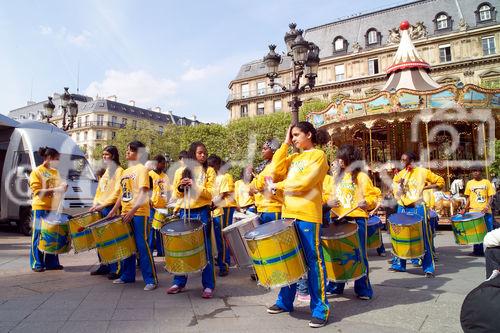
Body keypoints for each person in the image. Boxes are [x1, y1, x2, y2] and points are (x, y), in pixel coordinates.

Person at [264, 122, 330, 328]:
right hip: (288, 213)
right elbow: (275, 170)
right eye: (291, 136)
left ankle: (320, 309)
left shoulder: (318, 156)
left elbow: (304, 184)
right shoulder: (293, 157)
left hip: (308, 215)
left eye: (296, 135)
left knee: (313, 261)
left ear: (309, 134)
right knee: (289, 260)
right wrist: (284, 143)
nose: (293, 139)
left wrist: (278, 186)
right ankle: (285, 302)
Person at [326, 144, 379, 300]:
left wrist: (366, 203)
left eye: (342, 158)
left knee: (359, 254)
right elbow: (327, 195)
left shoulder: (362, 177)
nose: (339, 161)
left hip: (356, 219)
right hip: (337, 218)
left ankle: (363, 288)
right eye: (338, 158)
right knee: (338, 254)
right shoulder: (336, 178)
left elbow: (373, 197)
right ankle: (336, 285)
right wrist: (329, 202)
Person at [167, 141, 216, 299]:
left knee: (206, 248)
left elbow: (210, 194)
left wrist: (195, 185)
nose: (203, 155)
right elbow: (177, 194)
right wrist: (182, 187)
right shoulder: (182, 171)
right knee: (183, 248)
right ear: (192, 153)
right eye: (200, 153)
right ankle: (179, 282)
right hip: (185, 212)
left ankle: (208, 285)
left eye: (205, 153)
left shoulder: (209, 171)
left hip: (202, 212)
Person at [107, 141, 158, 291]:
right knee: (126, 245)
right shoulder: (125, 172)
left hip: (139, 213)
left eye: (130, 150)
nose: (127, 152)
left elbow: (144, 193)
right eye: (127, 150)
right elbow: (122, 194)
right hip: (125, 212)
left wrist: (132, 211)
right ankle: (127, 276)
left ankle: (150, 279)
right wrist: (114, 210)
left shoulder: (142, 170)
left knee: (142, 246)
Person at [390, 152, 444, 277]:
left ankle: (428, 268)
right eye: (401, 159)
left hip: (418, 207)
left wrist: (425, 188)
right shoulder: (400, 175)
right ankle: (399, 264)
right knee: (399, 236)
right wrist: (399, 189)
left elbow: (440, 182)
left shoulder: (422, 171)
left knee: (423, 237)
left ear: (412, 160)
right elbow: (395, 193)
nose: (402, 161)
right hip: (402, 207)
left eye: (405, 159)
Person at [29, 146, 68, 272]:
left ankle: (52, 263)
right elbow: (37, 191)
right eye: (56, 159)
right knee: (38, 235)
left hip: (53, 208)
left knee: (53, 235)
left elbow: (61, 185)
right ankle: (37, 263)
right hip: (40, 207)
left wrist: (64, 185)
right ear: (49, 158)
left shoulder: (55, 172)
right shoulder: (37, 172)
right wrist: (55, 189)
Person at [89, 145, 123, 279]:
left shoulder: (119, 171)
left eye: (106, 154)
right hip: (101, 208)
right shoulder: (106, 172)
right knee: (101, 238)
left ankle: (115, 268)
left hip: (111, 208)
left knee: (112, 239)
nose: (104, 157)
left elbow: (117, 193)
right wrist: (95, 204)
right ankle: (104, 264)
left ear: (113, 156)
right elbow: (99, 191)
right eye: (103, 154)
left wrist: (103, 204)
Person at [208, 154, 237, 277]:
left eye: (212, 166)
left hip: (222, 209)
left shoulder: (225, 177)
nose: (210, 168)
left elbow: (224, 194)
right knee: (215, 239)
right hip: (212, 210)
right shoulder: (209, 177)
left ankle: (224, 263)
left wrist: (213, 204)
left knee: (222, 237)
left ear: (218, 165)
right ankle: (218, 259)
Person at [462, 167, 496, 256]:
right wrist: (465, 208)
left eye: (477, 171)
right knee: (476, 232)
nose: (475, 173)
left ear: (480, 172)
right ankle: (477, 251)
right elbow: (468, 197)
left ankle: (491, 251)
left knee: (489, 231)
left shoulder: (486, 182)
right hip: (473, 212)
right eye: (473, 171)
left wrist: (487, 206)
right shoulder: (469, 183)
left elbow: (491, 196)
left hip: (485, 212)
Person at [251, 139, 283, 223]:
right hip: (261, 208)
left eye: (265, 149)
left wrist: (258, 187)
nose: (262, 151)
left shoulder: (277, 166)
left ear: (273, 150)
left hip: (273, 208)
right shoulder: (263, 167)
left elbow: (264, 185)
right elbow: (253, 187)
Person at [148, 155, 170, 257]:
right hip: (152, 207)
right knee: (152, 229)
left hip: (163, 207)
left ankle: (161, 251)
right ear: (157, 163)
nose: (164, 165)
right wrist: (148, 200)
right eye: (163, 163)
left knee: (161, 229)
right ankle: (150, 250)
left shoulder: (165, 176)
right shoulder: (150, 175)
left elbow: (168, 191)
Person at [369, 186, 387, 256]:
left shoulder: (376, 190)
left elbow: (379, 202)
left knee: (377, 232)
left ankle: (381, 250)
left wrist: (374, 210)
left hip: (373, 213)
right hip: (362, 213)